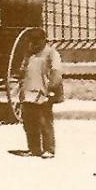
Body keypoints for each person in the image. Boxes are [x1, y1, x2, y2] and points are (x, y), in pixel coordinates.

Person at [19, 28, 62, 158]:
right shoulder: (29, 53)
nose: (34, 43)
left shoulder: (51, 53)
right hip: (28, 93)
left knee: (44, 121)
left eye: (37, 40)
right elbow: (22, 71)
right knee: (29, 122)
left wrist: (52, 89)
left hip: (43, 92)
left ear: (44, 40)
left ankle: (49, 149)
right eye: (32, 40)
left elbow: (56, 72)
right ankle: (34, 148)